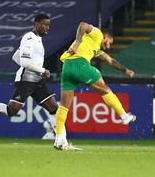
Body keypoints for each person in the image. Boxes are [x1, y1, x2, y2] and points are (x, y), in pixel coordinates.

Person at [54, 22, 136, 151]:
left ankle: (59, 140)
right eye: (109, 42)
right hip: (80, 63)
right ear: (106, 36)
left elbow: (110, 60)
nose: (108, 46)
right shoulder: (97, 33)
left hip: (67, 66)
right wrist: (76, 43)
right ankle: (124, 116)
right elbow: (82, 25)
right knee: (105, 89)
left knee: (64, 106)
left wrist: (125, 70)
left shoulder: (95, 47)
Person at [0, 14, 71, 143]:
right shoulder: (30, 38)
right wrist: (42, 70)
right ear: (36, 23)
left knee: (54, 109)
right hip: (26, 79)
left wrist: (38, 71)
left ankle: (61, 142)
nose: (47, 28)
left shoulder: (37, 39)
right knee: (11, 110)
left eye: (48, 25)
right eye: (44, 24)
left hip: (37, 80)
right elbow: (23, 62)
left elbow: (15, 56)